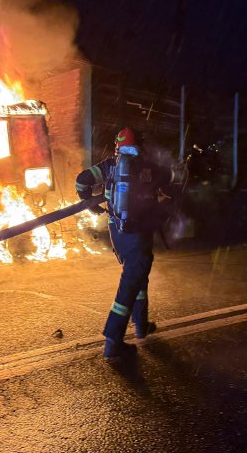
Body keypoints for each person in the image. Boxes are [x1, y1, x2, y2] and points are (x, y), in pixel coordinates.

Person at [75, 127, 171, 360]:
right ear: (139, 144)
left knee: (138, 275)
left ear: (118, 146)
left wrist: (90, 204)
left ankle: (141, 325)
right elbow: (168, 179)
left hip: (118, 231)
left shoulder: (109, 166)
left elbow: (82, 181)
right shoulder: (147, 166)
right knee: (131, 281)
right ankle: (113, 340)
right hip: (139, 232)